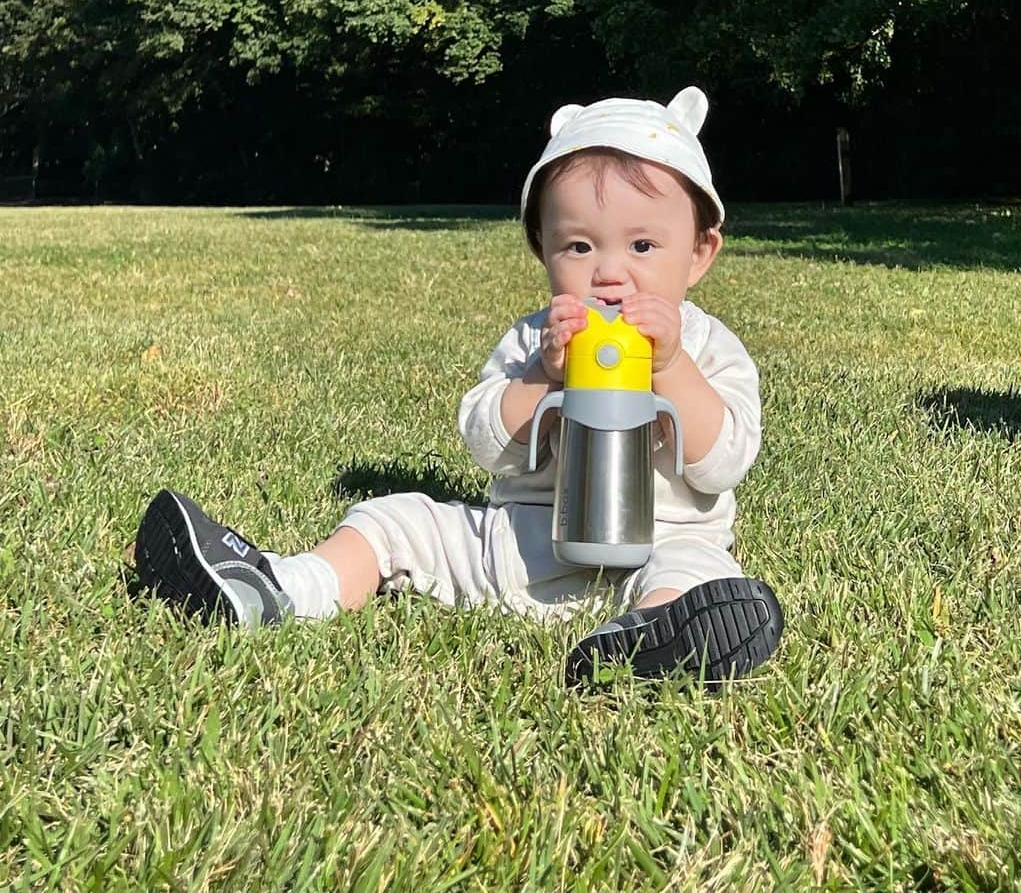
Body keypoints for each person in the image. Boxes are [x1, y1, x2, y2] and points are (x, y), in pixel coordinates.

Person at [135, 87, 783, 686]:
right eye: (579, 248)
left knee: (704, 572)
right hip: (524, 545)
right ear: (543, 250)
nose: (610, 274)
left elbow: (723, 462)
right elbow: (485, 441)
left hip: (659, 549)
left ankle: (649, 637)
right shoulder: (537, 340)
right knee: (394, 519)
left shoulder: (706, 347)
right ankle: (283, 588)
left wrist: (669, 366)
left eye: (643, 246)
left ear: (699, 253)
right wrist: (543, 376)